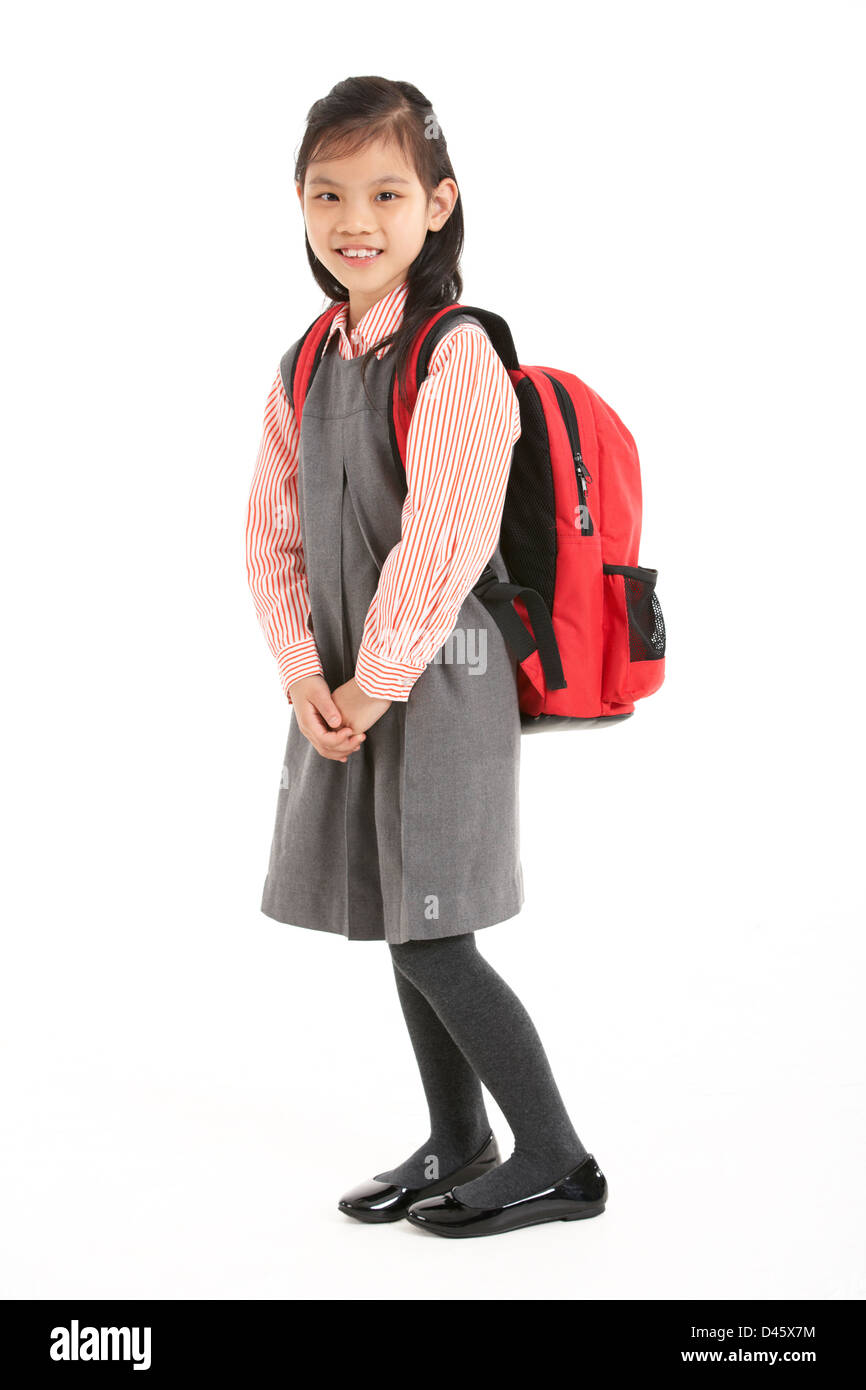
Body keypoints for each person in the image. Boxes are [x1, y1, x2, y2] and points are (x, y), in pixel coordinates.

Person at [245, 75, 607, 1238]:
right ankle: (461, 1143)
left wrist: (371, 677)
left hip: (439, 674)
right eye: (327, 192)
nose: (355, 217)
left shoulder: (453, 355)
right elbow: (272, 532)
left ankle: (556, 1157)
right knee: (406, 913)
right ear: (299, 206)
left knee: (433, 923)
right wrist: (303, 668)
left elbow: (444, 539)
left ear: (439, 205)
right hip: (350, 679)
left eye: (387, 191)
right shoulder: (306, 360)